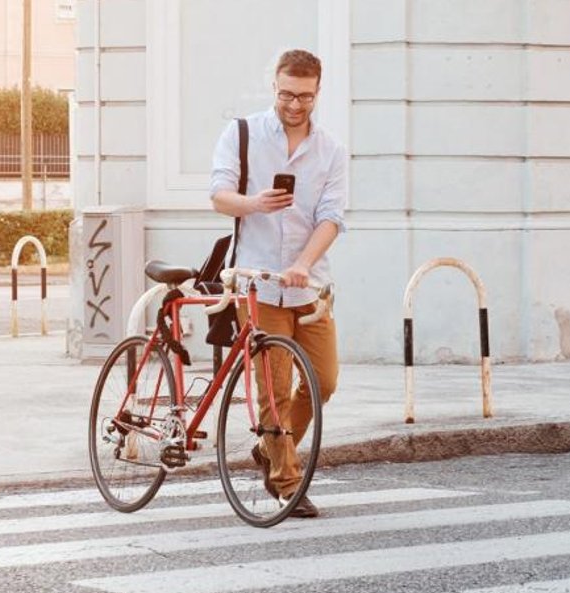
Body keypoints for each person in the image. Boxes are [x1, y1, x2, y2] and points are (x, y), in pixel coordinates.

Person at [209, 49, 347, 518]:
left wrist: (305, 263)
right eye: (287, 93)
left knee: (323, 381)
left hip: (308, 286)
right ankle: (286, 481)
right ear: (275, 86)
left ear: (317, 92)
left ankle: (270, 449)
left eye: (304, 96)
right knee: (274, 387)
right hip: (258, 282)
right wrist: (254, 204)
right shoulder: (243, 133)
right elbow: (219, 196)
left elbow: (331, 219)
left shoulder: (329, 150)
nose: (294, 104)